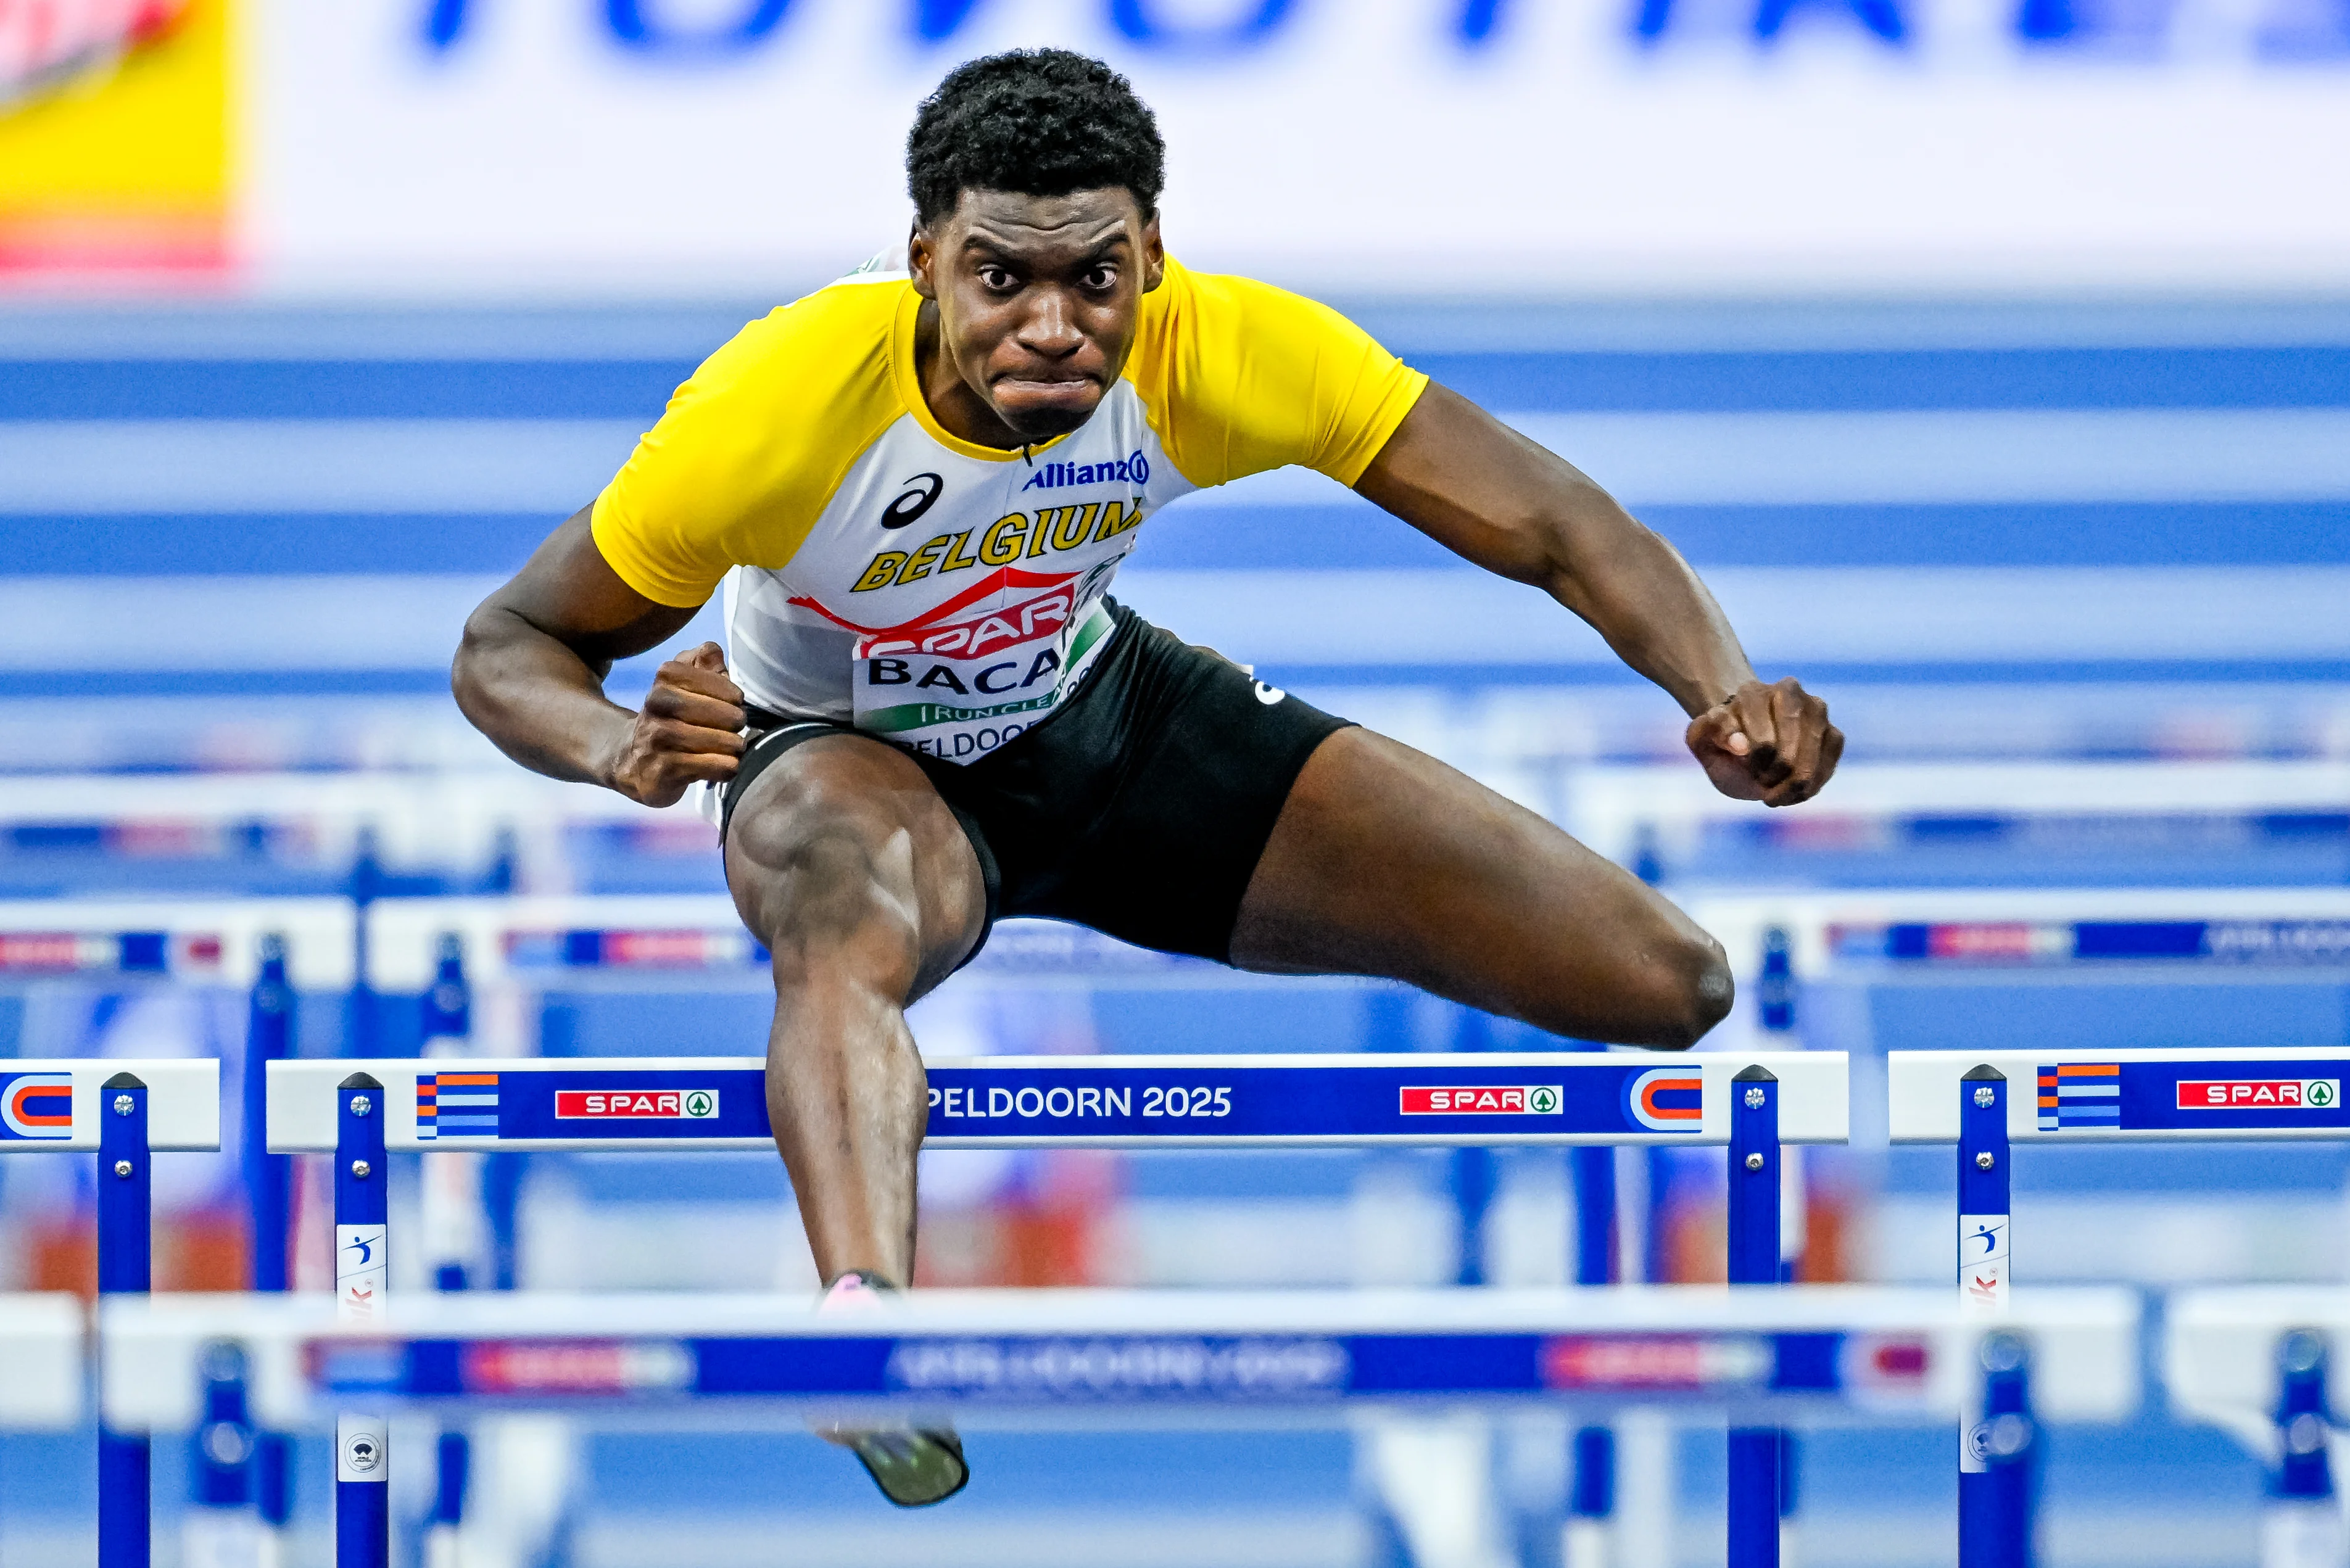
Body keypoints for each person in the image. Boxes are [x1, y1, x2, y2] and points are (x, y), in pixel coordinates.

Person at [452, 47, 1842, 1507]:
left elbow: (1547, 515)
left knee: (1663, 979)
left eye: (1095, 281)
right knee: (833, 884)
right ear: (925, 263)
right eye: (999, 280)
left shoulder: (1216, 349)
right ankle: (862, 1326)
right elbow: (510, 640)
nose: (1052, 327)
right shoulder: (775, 410)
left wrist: (1720, 686)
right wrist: (618, 747)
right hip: (846, 759)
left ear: (1151, 260)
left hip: (1093, 713)